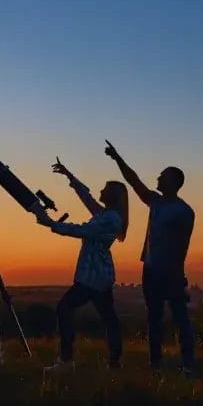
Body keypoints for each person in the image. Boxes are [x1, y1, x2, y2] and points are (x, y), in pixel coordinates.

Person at [104, 140, 196, 375]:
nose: (158, 177)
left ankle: (188, 364)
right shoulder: (156, 202)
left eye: (163, 175)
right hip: (151, 270)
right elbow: (134, 182)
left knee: (180, 319)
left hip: (170, 273)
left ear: (173, 182)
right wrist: (117, 158)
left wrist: (176, 274)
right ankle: (155, 363)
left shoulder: (184, 212)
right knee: (154, 319)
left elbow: (181, 247)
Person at [32, 157, 129, 371]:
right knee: (109, 318)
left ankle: (67, 360)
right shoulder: (106, 214)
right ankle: (114, 362)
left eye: (105, 189)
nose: (100, 191)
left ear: (113, 195)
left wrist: (50, 223)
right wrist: (69, 175)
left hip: (93, 276)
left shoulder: (111, 219)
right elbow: (86, 196)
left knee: (65, 308)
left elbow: (82, 231)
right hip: (97, 275)